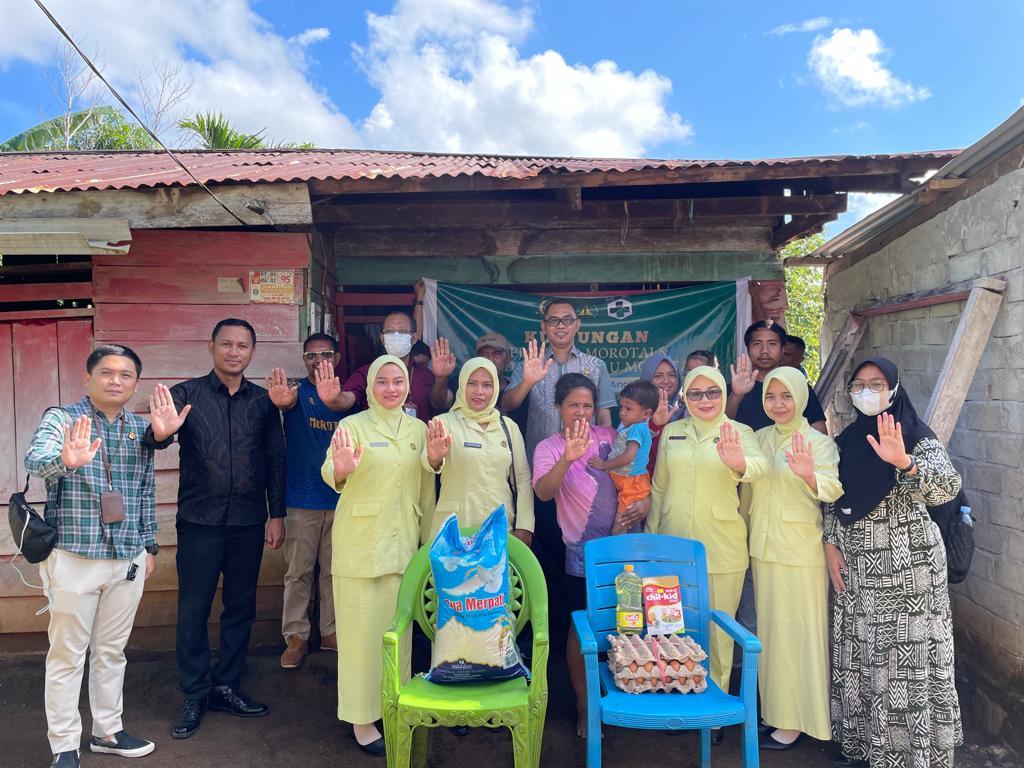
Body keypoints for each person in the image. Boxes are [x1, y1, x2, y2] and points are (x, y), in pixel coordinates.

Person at [145, 319, 287, 740]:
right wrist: (159, 432)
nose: (233, 351)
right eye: (226, 344)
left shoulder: (263, 402)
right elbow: (156, 439)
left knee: (240, 606)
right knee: (193, 608)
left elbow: (275, 460)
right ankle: (195, 691)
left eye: (242, 345)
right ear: (211, 347)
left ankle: (227, 684)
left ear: (252, 352)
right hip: (199, 522)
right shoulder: (185, 395)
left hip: (247, 521)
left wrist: (275, 513)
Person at [824, 358, 962, 768]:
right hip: (856, 568)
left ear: (894, 387)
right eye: (859, 385)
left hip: (909, 571)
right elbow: (833, 497)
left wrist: (905, 462)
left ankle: (909, 755)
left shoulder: (916, 436)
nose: (867, 392)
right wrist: (831, 544)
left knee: (904, 663)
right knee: (860, 656)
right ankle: (867, 748)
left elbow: (946, 489)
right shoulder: (848, 439)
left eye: (877, 383)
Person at [25, 345, 157, 768]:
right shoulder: (63, 419)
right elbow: (35, 458)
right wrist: (64, 460)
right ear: (88, 377)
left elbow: (144, 491)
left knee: (111, 651)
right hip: (75, 556)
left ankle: (107, 731)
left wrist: (149, 545)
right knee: (67, 654)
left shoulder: (139, 427)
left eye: (125, 375)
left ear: (135, 383)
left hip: (128, 558)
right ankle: (64, 745)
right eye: (106, 372)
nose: (115, 380)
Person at [321, 355, 444, 755]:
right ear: (370, 387)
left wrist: (426, 549)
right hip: (360, 545)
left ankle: (394, 706)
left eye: (398, 381)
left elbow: (427, 491)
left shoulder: (418, 430)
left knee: (397, 635)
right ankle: (361, 718)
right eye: (382, 382)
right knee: (359, 639)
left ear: (408, 386)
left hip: (403, 545)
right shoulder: (352, 425)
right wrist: (340, 470)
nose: (390, 389)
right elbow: (332, 471)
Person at [647, 365, 767, 716]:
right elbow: (658, 488)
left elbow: (759, 468)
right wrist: (652, 537)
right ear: (685, 397)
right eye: (696, 393)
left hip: (722, 548)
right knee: (670, 627)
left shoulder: (739, 432)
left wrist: (740, 462)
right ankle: (677, 699)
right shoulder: (672, 432)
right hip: (672, 547)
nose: (705, 400)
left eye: (713, 392)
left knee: (718, 633)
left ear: (724, 395)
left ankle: (711, 710)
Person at [532, 373, 644, 738]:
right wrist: (567, 458)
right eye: (573, 405)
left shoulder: (611, 438)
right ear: (558, 408)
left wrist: (644, 504)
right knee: (581, 629)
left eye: (587, 405)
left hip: (623, 549)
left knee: (625, 625)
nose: (581, 412)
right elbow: (545, 493)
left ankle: (623, 701)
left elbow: (641, 475)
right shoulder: (548, 447)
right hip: (581, 554)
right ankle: (584, 706)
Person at [746, 367, 843, 751]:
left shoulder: (818, 443)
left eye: (786, 396)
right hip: (765, 548)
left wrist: (809, 476)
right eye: (771, 397)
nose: (778, 404)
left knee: (800, 636)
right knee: (770, 635)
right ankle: (776, 714)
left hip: (801, 552)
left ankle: (801, 721)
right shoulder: (759, 438)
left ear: (801, 398)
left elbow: (834, 491)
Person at [266, 334, 342, 669]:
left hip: (342, 500)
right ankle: (296, 636)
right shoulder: (295, 394)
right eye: (311, 355)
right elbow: (283, 405)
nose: (318, 360)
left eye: (325, 353)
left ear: (336, 357)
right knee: (298, 572)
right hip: (300, 499)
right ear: (304, 358)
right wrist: (281, 403)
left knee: (334, 572)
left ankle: (331, 631)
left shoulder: (347, 396)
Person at [423, 357, 534, 544]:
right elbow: (427, 463)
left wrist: (524, 527)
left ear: (496, 388)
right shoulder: (444, 422)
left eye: (487, 385)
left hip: (500, 528)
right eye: (472, 384)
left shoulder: (508, 427)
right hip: (455, 528)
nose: (479, 392)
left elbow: (522, 480)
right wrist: (434, 459)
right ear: (461, 385)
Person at [501, 300, 615, 460]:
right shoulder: (530, 365)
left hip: (585, 461)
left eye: (567, 320)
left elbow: (604, 417)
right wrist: (527, 383)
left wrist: (603, 454)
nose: (561, 326)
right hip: (541, 460)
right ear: (544, 326)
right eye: (554, 320)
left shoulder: (597, 366)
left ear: (577, 324)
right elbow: (506, 404)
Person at [313, 311, 454, 422]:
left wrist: (441, 378)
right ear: (382, 338)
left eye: (403, 331)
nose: (396, 335)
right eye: (390, 331)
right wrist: (333, 399)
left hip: (417, 448)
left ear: (414, 338)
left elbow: (438, 403)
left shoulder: (424, 374)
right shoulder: (366, 373)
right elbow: (347, 400)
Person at [726, 320, 826, 434]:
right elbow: (721, 427)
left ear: (782, 349)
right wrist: (736, 395)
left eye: (772, 344)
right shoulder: (734, 389)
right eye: (757, 344)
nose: (764, 351)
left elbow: (819, 431)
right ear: (748, 349)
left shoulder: (797, 387)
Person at [586, 380, 658, 516]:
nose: (622, 413)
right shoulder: (630, 426)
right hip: (625, 481)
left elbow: (628, 457)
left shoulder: (637, 428)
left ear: (646, 414)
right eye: (621, 407)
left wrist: (603, 465)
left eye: (628, 409)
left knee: (621, 524)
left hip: (631, 484)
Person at [638, 353, 684, 474]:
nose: (666, 381)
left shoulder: (688, 409)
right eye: (658, 376)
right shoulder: (634, 410)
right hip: (645, 485)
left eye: (672, 375)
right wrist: (654, 425)